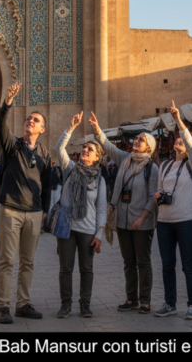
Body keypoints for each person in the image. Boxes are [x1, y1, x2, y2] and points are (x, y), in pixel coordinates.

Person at [0, 81, 53, 324]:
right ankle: (3, 306)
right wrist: (7, 102)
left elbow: (48, 185)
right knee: (7, 260)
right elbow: (0, 127)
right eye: (29, 118)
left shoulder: (44, 154)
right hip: (11, 210)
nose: (30, 121)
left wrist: (46, 212)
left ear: (42, 129)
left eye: (36, 120)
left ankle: (23, 303)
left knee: (27, 262)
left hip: (34, 213)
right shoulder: (12, 146)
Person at [91, 111, 159, 315]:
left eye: (141, 139)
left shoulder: (152, 169)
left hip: (141, 222)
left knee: (143, 261)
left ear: (149, 146)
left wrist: (143, 217)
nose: (136, 141)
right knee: (128, 261)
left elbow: (152, 196)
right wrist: (97, 130)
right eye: (136, 138)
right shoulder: (125, 159)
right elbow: (109, 148)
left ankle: (145, 300)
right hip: (122, 220)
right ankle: (132, 299)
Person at [153, 101, 192, 320]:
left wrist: (178, 120)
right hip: (164, 221)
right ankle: (169, 303)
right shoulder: (164, 166)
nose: (178, 140)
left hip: (186, 221)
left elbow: (190, 143)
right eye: (177, 138)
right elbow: (160, 190)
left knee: (188, 265)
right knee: (167, 266)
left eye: (182, 139)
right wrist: (156, 196)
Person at [54, 112, 107, 319]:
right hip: (67, 228)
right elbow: (59, 148)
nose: (85, 150)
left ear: (97, 157)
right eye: (84, 148)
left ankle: (85, 305)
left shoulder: (100, 180)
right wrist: (71, 127)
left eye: (90, 149)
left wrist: (99, 234)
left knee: (86, 269)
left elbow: (102, 209)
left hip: (87, 230)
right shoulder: (70, 169)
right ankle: (65, 305)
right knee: (65, 269)